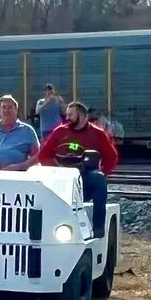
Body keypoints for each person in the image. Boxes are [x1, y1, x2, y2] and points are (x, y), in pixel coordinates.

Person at [37, 101, 119, 237]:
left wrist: (103, 172)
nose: (67, 118)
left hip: (84, 177)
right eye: (67, 115)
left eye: (71, 115)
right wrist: (57, 168)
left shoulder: (97, 133)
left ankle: (98, 227)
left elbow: (112, 156)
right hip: (61, 176)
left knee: (99, 180)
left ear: (82, 116)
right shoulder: (60, 132)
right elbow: (43, 155)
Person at [0, 95, 40, 171]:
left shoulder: (28, 130)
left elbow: (37, 155)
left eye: (10, 107)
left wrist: (21, 166)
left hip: (17, 175)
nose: (6, 110)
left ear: (16, 110)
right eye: (4, 107)